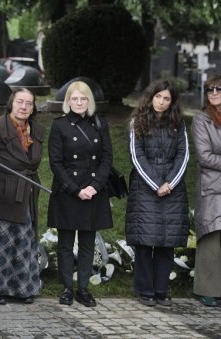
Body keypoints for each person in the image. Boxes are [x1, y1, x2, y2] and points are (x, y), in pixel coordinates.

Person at [47, 81, 113, 308]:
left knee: (87, 242)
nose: (78, 102)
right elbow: (55, 162)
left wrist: (95, 186)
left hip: (94, 190)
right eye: (74, 99)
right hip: (68, 191)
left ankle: (83, 288)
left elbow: (106, 159)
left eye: (82, 98)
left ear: (89, 101)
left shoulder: (99, 124)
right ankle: (67, 288)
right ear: (67, 102)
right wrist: (75, 189)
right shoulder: (59, 126)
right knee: (65, 243)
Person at [125, 79, 189, 307]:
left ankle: (161, 290)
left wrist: (170, 182)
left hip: (173, 188)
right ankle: (145, 290)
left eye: (166, 99)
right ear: (150, 97)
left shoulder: (178, 123)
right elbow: (136, 156)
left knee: (166, 241)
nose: (161, 102)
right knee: (145, 242)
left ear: (172, 102)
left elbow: (184, 155)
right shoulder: (137, 121)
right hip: (146, 188)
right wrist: (156, 184)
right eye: (158, 97)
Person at [0, 88, 45, 305]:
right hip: (2, 192)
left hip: (26, 191)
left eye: (29, 103)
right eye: (20, 102)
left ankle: (22, 289)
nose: (24, 107)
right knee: (1, 242)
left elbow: (34, 160)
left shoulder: (37, 130)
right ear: (11, 104)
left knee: (25, 240)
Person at [191, 75, 221, 307]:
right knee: (212, 237)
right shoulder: (201, 119)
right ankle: (207, 290)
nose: (213, 92)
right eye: (209, 89)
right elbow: (205, 156)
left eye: (218, 88)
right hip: (212, 187)